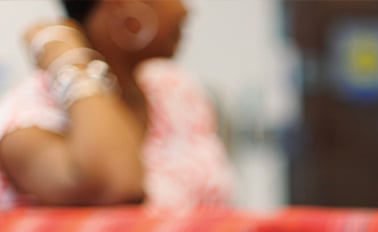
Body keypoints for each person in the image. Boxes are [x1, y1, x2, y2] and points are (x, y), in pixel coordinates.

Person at [0, 0, 233, 213]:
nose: (185, 10)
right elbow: (115, 184)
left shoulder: (173, 88)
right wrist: (71, 63)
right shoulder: (30, 113)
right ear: (121, 5)